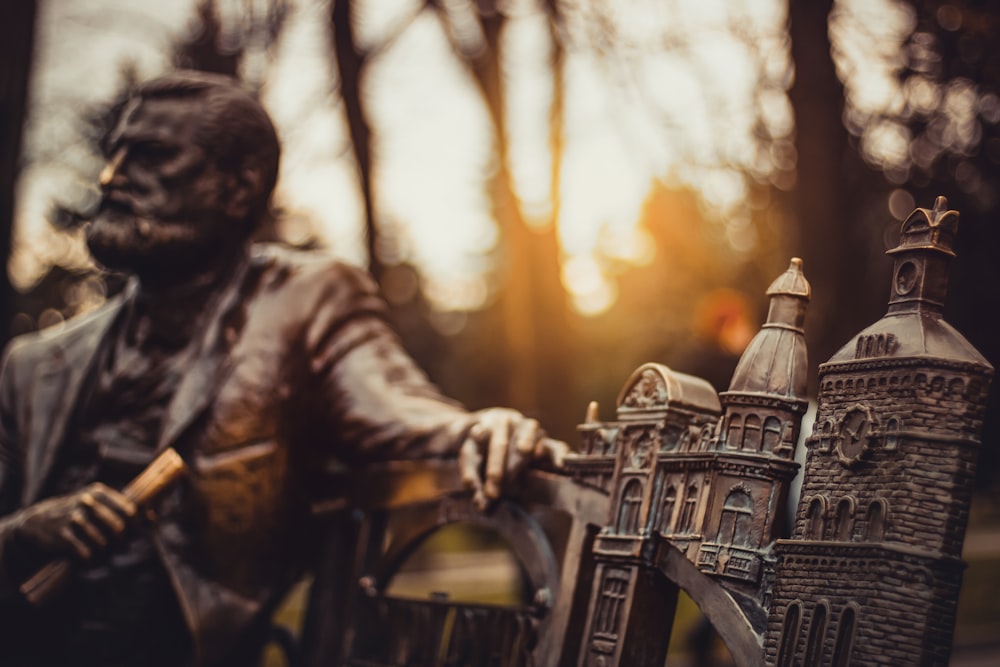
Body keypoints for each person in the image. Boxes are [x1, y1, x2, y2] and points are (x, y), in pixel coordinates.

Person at [0, 70, 566, 666]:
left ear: (240, 186)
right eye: (114, 154)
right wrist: (23, 533)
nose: (111, 178)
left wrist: (476, 429)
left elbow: (390, 406)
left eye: (152, 157)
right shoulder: (34, 367)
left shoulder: (301, 300)